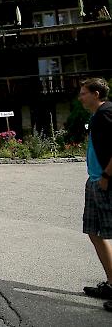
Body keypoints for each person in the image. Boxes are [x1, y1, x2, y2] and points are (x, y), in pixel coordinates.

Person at [78, 78, 112, 311]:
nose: (80, 97)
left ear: (96, 93)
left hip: (105, 182)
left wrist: (107, 177)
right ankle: (111, 283)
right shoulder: (97, 116)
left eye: (83, 93)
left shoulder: (106, 113)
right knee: (93, 231)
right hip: (94, 180)